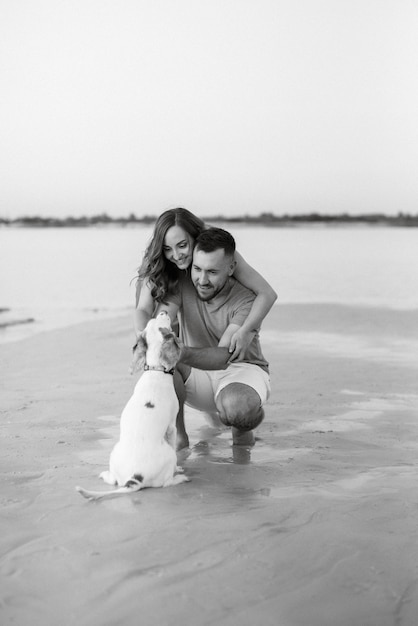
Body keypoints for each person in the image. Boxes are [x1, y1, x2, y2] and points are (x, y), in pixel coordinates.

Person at [155, 227, 271, 448]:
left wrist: (180, 351)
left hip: (239, 371)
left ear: (231, 268)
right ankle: (180, 437)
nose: (202, 279)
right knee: (162, 364)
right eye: (197, 269)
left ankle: (243, 440)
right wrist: (156, 329)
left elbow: (221, 358)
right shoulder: (182, 283)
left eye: (212, 272)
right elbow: (160, 318)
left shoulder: (246, 300)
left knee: (237, 410)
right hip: (196, 375)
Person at [134, 208, 277, 361]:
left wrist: (247, 330)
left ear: (195, 237)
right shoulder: (157, 263)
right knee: (158, 348)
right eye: (167, 249)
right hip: (166, 292)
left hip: (194, 302)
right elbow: (142, 308)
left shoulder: (219, 253)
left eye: (182, 245)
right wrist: (144, 338)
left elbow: (267, 293)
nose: (176, 255)